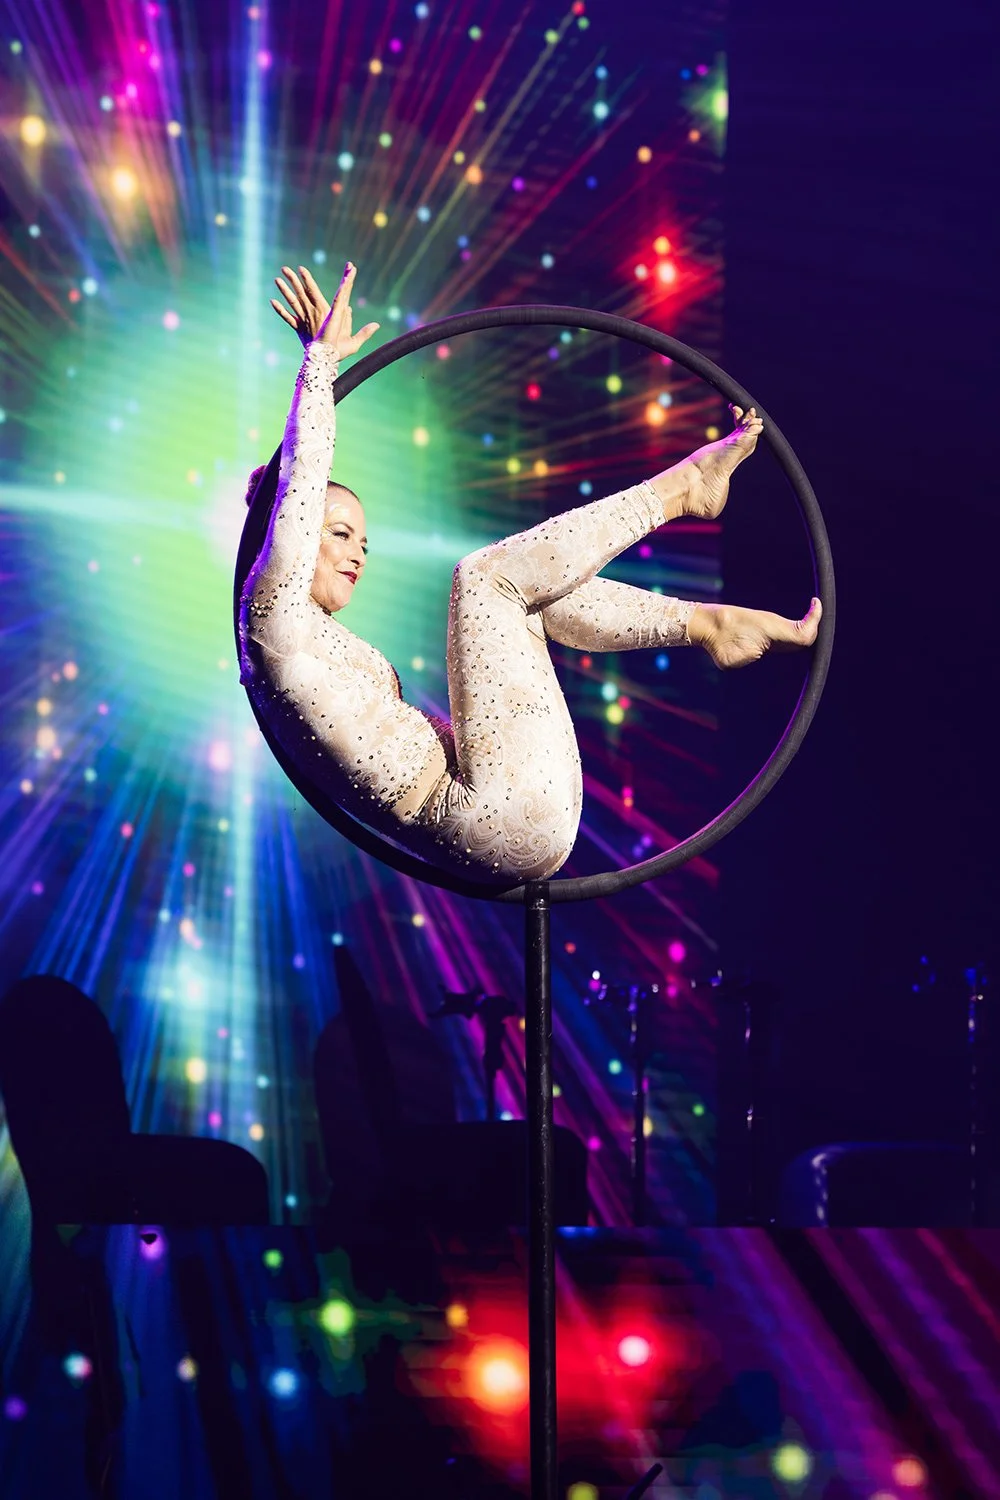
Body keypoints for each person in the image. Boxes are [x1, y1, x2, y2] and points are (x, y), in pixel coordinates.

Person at [239, 261, 821, 885]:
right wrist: (319, 362)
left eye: (363, 541)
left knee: (530, 594)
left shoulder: (303, 639)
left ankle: (708, 624)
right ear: (290, 534)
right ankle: (678, 493)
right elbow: (301, 483)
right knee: (485, 579)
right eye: (339, 533)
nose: (357, 554)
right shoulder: (272, 620)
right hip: (490, 814)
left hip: (517, 800)